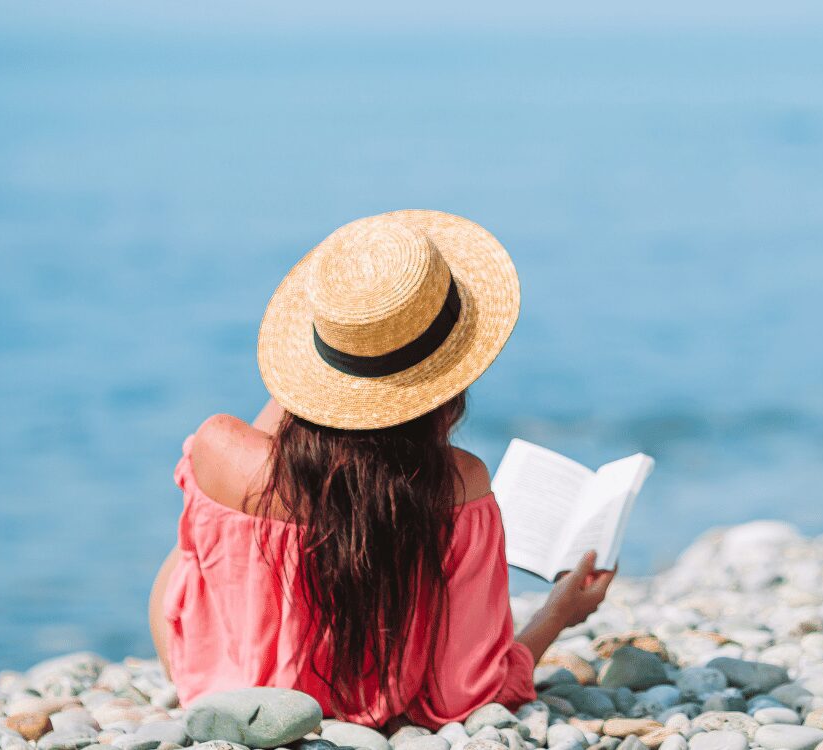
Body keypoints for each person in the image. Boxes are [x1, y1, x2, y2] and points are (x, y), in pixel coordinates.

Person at [147, 210, 614, 727]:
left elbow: (270, 456)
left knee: (193, 544)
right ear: (450, 374)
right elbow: (464, 693)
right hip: (374, 713)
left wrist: (321, 374)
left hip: (216, 689)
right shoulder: (457, 485)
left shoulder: (217, 447)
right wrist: (558, 616)